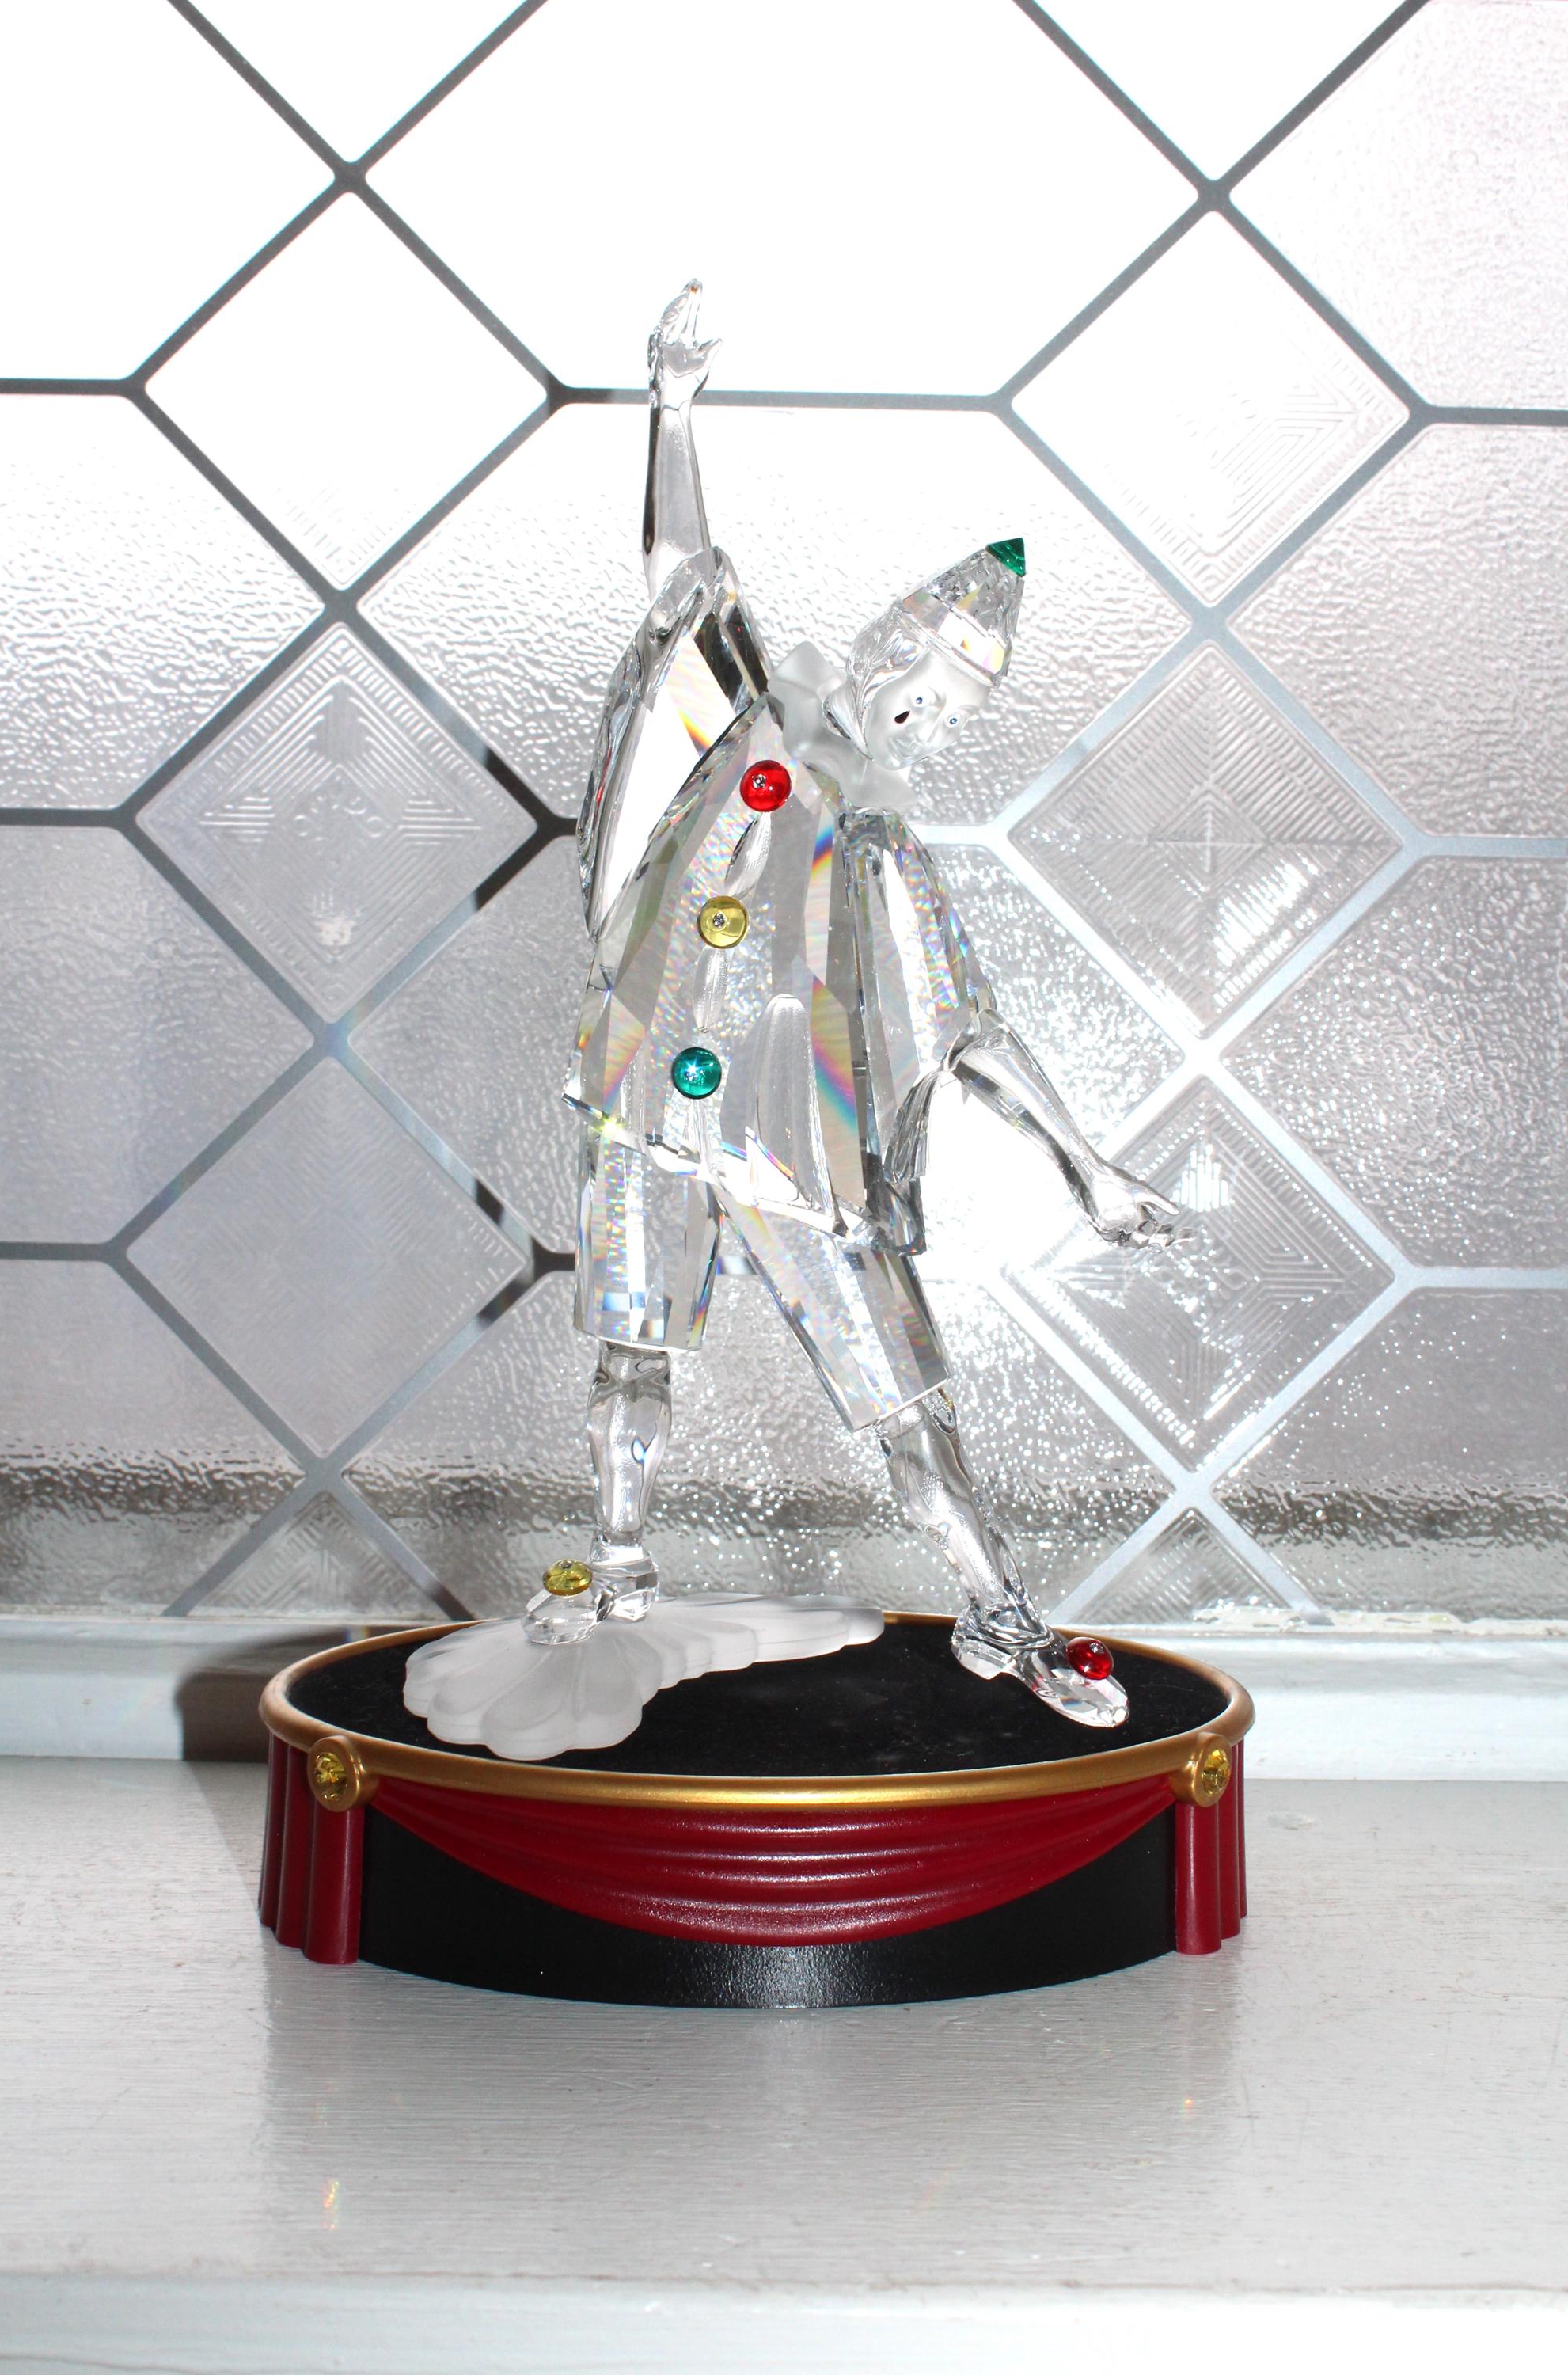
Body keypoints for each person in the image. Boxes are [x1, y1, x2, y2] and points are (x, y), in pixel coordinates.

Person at [550, 287, 1176, 1728]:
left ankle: (999, 1608)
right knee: (632, 1343)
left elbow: (964, 1023)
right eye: (919, 676)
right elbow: (676, 573)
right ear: (882, 642)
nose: (922, 710)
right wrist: (672, 408)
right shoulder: (747, 704)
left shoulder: (883, 839)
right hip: (646, 1080)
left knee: (900, 1385)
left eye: (951, 708)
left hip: (797, 1131)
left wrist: (1087, 1165)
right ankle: (617, 1574)